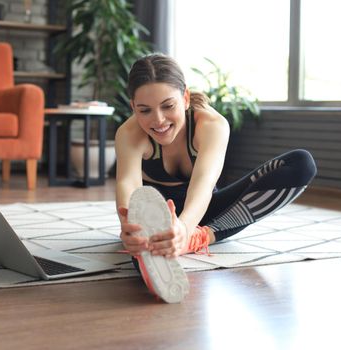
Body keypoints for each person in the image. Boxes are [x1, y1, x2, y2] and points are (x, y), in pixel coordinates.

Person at [115, 53, 317, 299]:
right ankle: (160, 245)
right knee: (147, 241)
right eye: (144, 110)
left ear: (185, 98)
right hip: (154, 219)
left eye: (168, 106)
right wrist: (129, 226)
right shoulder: (129, 133)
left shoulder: (211, 125)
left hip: (202, 212)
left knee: (301, 165)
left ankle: (199, 238)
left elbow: (203, 185)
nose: (158, 120)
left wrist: (186, 228)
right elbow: (128, 184)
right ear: (133, 107)